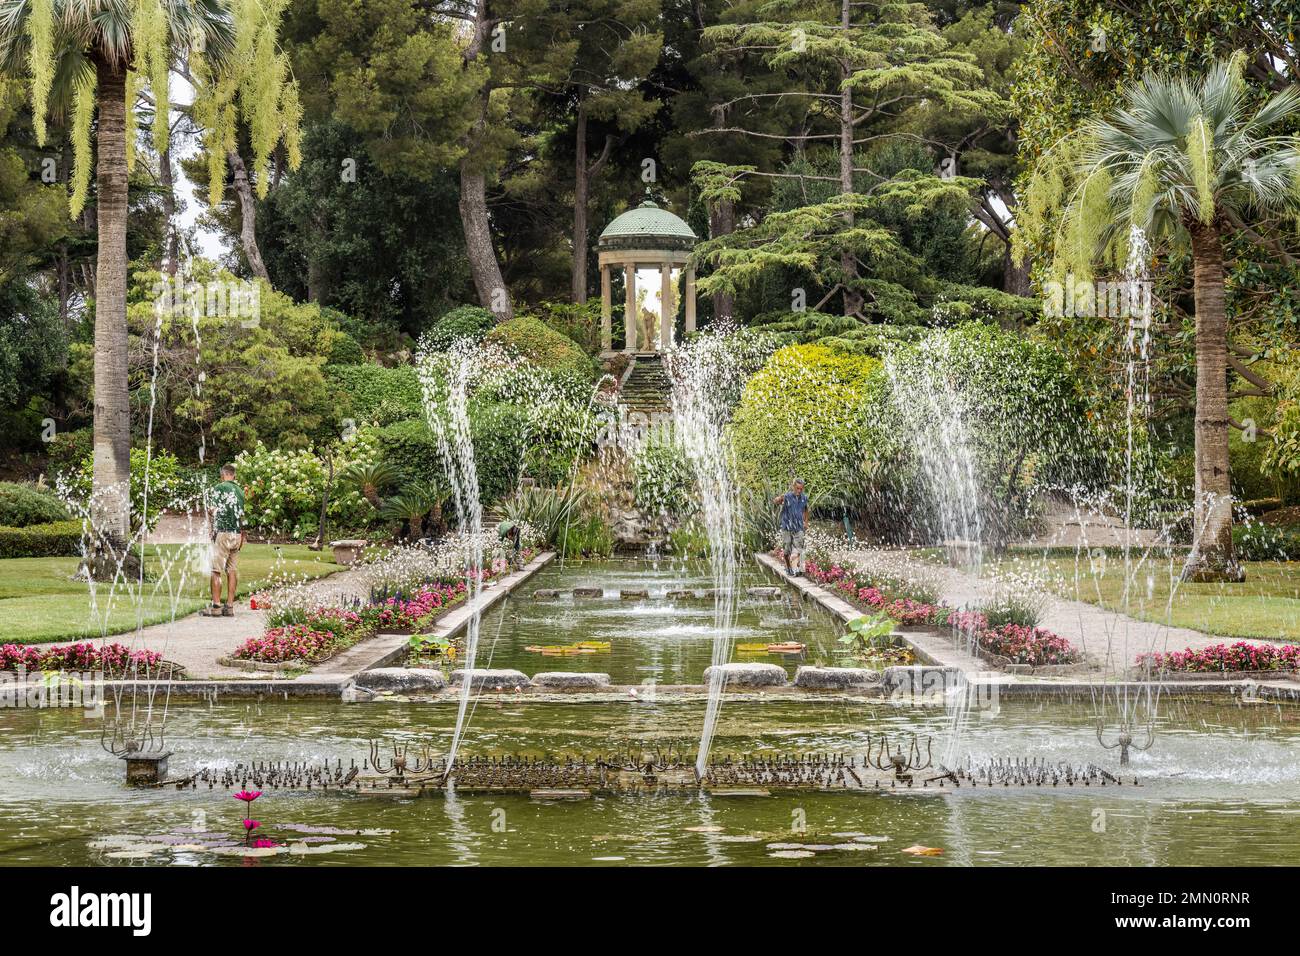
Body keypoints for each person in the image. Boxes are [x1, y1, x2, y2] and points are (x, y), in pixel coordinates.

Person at [202, 464, 246, 617]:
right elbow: (241, 515)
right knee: (232, 569)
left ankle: (215, 606)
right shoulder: (240, 491)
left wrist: (210, 513)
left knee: (216, 570)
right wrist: (242, 535)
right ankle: (230, 606)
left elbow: (213, 510)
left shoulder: (220, 487)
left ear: (223, 475)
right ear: (233, 475)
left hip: (223, 533)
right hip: (237, 534)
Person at [773, 478, 809, 576]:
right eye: (797, 488)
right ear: (793, 487)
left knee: (799, 547)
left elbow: (806, 509)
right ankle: (788, 567)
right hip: (787, 527)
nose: (799, 491)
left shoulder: (804, 498)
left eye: (801, 489)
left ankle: (797, 569)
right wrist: (778, 499)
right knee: (786, 550)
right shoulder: (787, 496)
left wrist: (806, 522)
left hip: (799, 527)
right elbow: (776, 502)